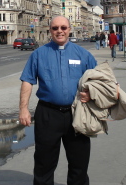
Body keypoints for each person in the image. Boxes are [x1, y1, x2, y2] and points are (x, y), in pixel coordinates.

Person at [19, 16, 97, 185]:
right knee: (44, 162)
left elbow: (99, 82)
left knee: (79, 162)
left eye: (63, 27)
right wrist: (23, 109)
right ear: (50, 30)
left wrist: (91, 95)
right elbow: (27, 80)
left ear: (69, 29)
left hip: (77, 112)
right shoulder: (39, 54)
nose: (59, 31)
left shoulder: (83, 54)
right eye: (55, 28)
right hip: (48, 114)